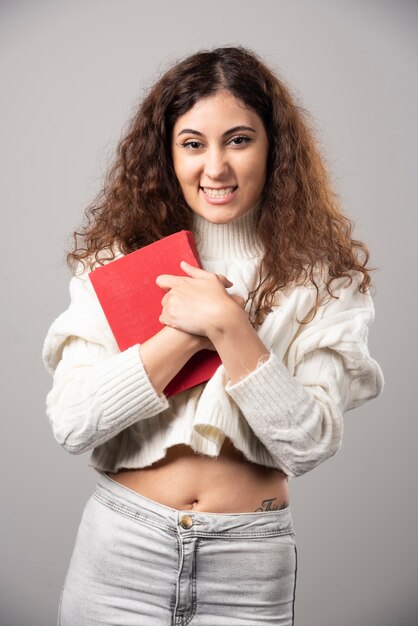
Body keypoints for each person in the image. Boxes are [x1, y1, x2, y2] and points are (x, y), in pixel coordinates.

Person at [42, 46, 384, 626]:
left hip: (249, 565)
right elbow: (73, 424)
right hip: (122, 552)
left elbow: (309, 444)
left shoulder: (325, 278)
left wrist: (230, 325)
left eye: (239, 140)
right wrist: (186, 335)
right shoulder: (118, 260)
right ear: (168, 155)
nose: (216, 168)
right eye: (194, 144)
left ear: (274, 149)